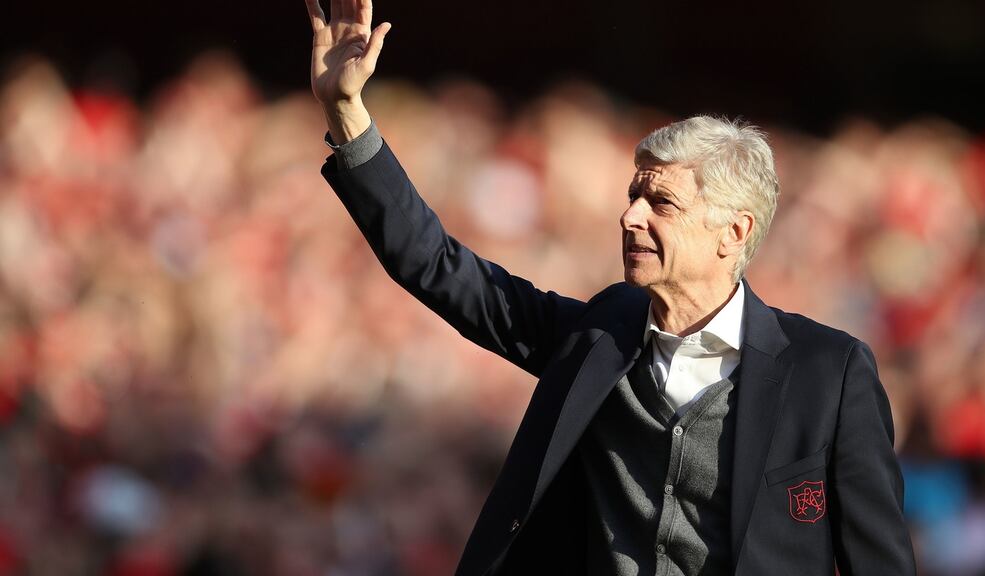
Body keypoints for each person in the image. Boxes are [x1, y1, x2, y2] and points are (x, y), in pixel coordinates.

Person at [301, 0, 917, 574]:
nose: (631, 218)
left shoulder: (828, 373)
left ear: (734, 231)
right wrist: (346, 114)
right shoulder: (597, 337)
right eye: (633, 197)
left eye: (661, 203)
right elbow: (436, 265)